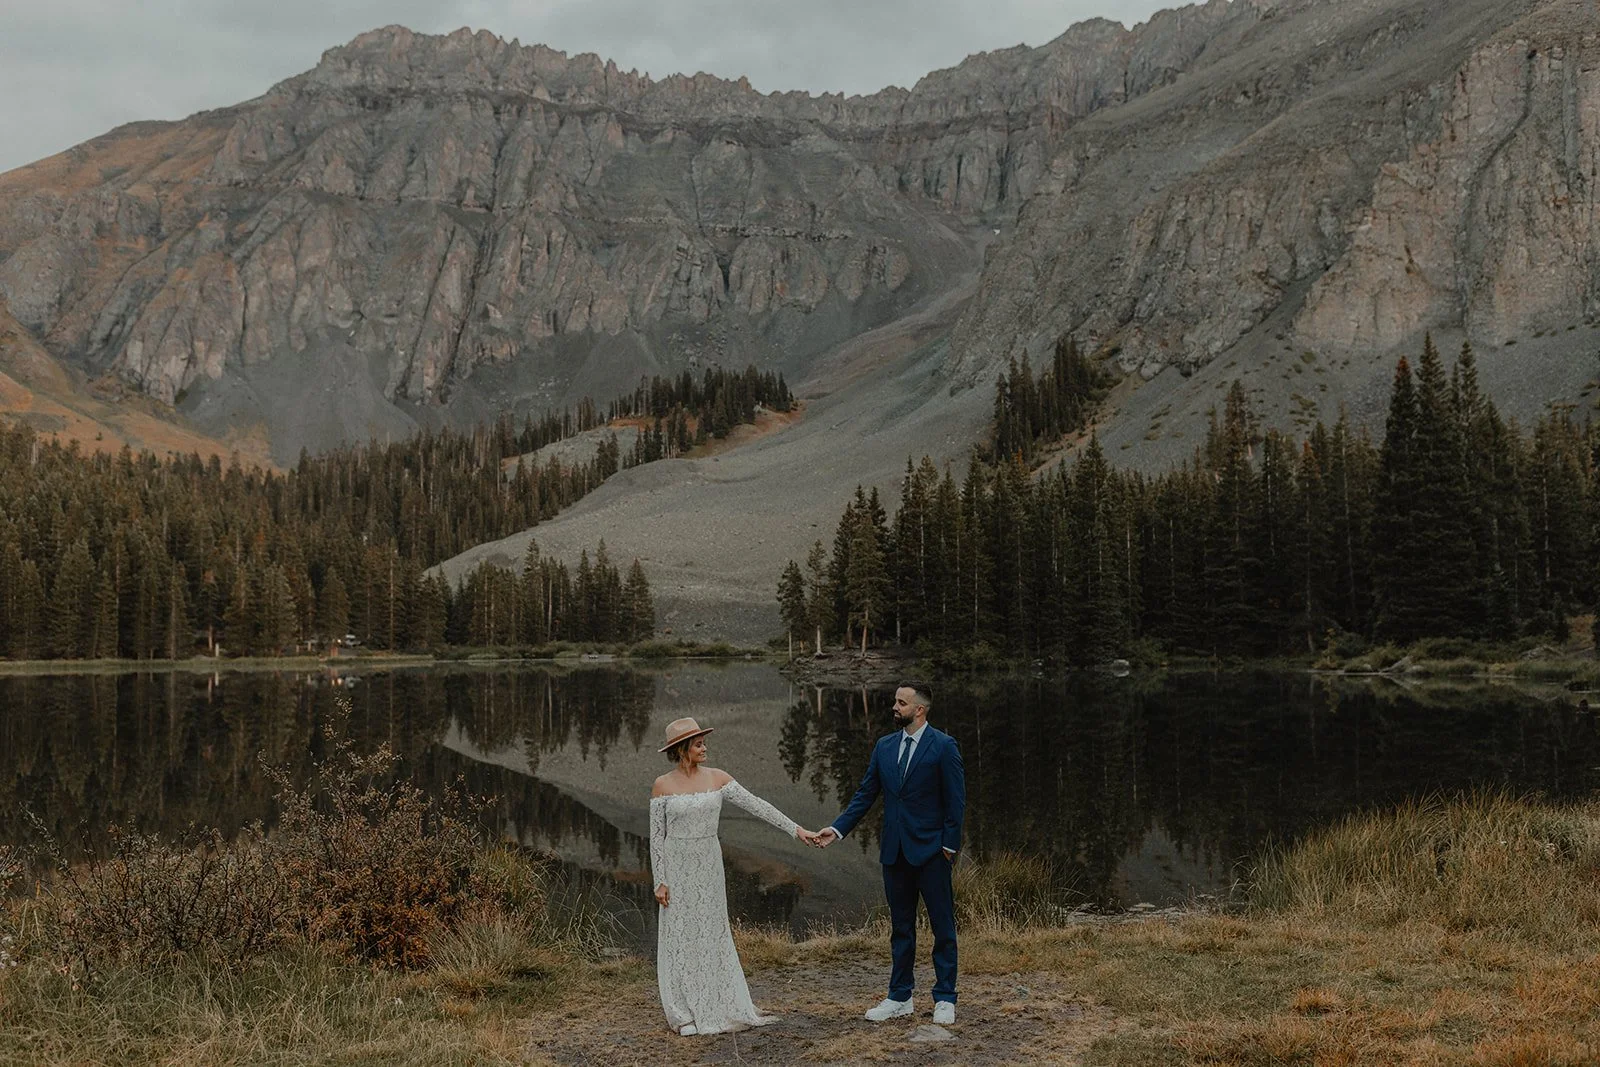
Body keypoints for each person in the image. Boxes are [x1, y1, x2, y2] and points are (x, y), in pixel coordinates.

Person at [649, 716, 822, 1035]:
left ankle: (715, 1001)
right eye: (699, 744)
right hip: (675, 865)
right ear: (683, 749)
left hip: (708, 863)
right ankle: (682, 1012)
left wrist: (798, 831)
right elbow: (656, 837)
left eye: (703, 742)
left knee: (711, 930)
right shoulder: (662, 785)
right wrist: (660, 879)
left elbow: (758, 806)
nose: (705, 748)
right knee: (678, 933)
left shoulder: (718, 778)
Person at [812, 682, 965, 1025]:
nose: (894, 707)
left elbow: (956, 801)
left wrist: (948, 847)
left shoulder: (943, 746)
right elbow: (865, 795)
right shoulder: (884, 746)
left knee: (943, 927)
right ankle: (900, 996)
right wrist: (836, 830)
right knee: (901, 928)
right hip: (894, 853)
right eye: (895, 701)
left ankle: (944, 998)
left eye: (901, 702)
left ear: (920, 709)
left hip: (932, 853)